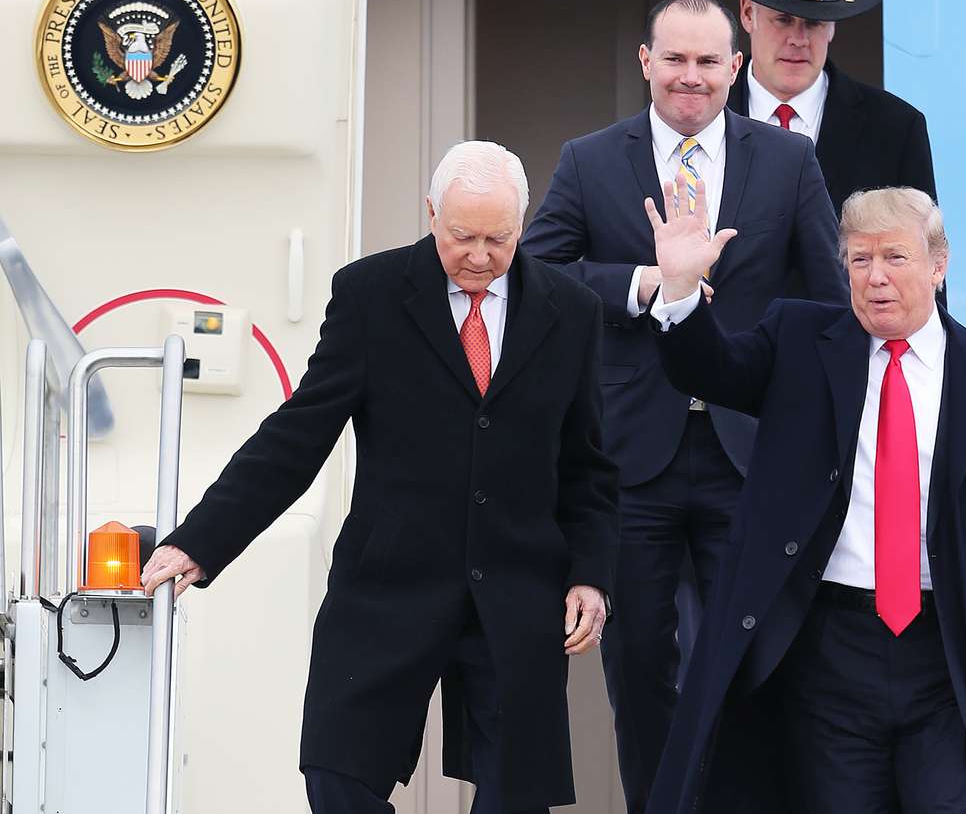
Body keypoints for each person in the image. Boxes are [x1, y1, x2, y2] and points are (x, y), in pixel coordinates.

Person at [642, 180, 966, 814]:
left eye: (894, 257)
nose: (875, 277)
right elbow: (710, 369)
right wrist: (683, 293)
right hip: (826, 652)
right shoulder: (800, 339)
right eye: (859, 260)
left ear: (938, 266)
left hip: (950, 656)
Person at [141, 141, 619, 814]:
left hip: (516, 591)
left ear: (522, 222)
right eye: (462, 236)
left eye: (498, 238)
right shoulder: (370, 294)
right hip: (388, 581)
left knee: (517, 797)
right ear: (431, 214)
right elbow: (298, 433)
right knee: (336, 776)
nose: (480, 255)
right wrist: (201, 538)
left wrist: (590, 575)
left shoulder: (570, 310)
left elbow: (588, 467)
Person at [520, 0, 847, 813]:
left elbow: (832, 301)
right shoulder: (591, 159)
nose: (690, 77)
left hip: (750, 451)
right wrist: (642, 283)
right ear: (646, 63)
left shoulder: (789, 162)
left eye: (708, 61)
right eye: (674, 59)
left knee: (756, 651)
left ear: (737, 66)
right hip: (632, 454)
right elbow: (536, 277)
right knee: (637, 665)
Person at [716, 0, 938, 225]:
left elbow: (922, 258)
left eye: (814, 22)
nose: (798, 39)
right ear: (747, 14)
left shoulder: (895, 127)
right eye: (783, 19)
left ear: (833, 26)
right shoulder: (703, 115)